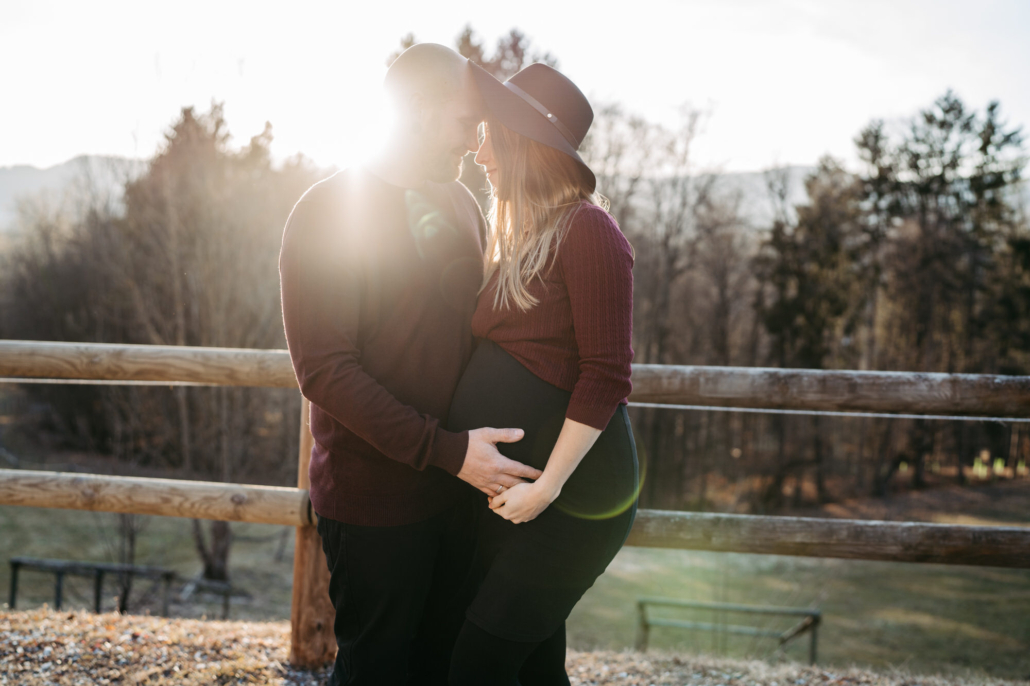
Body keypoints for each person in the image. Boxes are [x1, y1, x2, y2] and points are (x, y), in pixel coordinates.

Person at [278, 43, 542, 686]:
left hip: (458, 493)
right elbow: (326, 373)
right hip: (375, 506)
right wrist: (448, 451)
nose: (473, 141)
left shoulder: (460, 206)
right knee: (378, 671)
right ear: (420, 112)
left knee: (443, 668)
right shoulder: (327, 212)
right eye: (464, 122)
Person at [446, 62, 639, 685]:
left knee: (479, 663)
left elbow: (607, 374)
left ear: (520, 141)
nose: (478, 153)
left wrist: (547, 488)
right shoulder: (523, 235)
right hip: (521, 493)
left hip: (575, 499)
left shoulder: (589, 230)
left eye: (488, 136)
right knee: (530, 668)